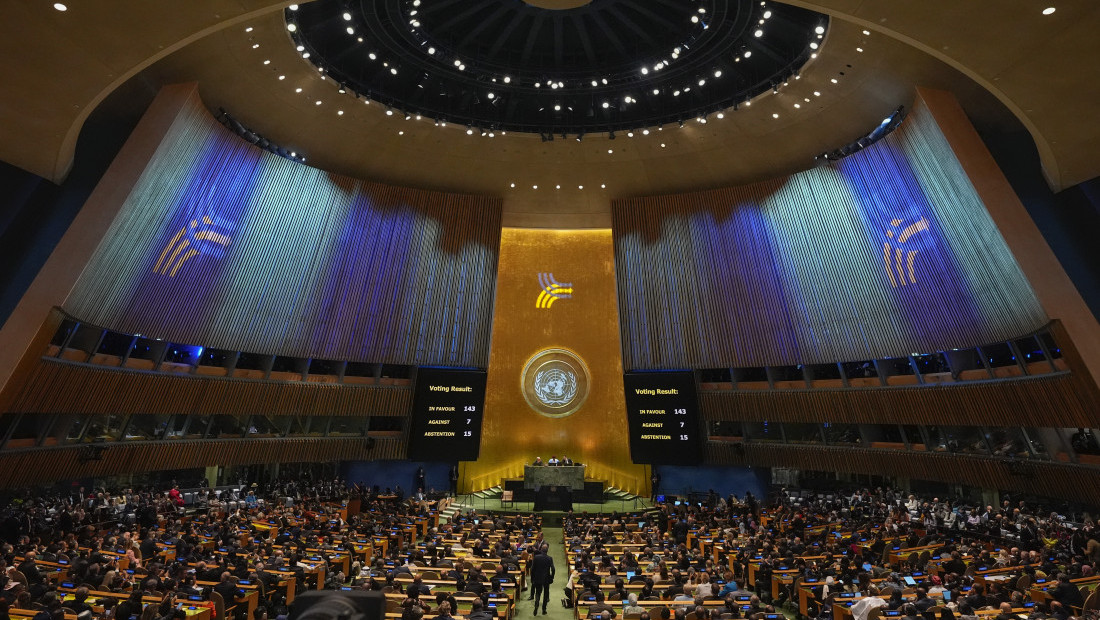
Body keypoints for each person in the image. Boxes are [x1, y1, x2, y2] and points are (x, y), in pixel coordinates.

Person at [530, 543, 556, 615]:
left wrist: (532, 578)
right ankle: (544, 609)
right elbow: (553, 569)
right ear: (547, 551)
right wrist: (552, 577)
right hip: (546, 578)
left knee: (538, 593)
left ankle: (536, 604)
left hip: (537, 577)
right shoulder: (549, 558)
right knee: (545, 594)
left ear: (541, 550)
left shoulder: (536, 557)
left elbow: (532, 569)